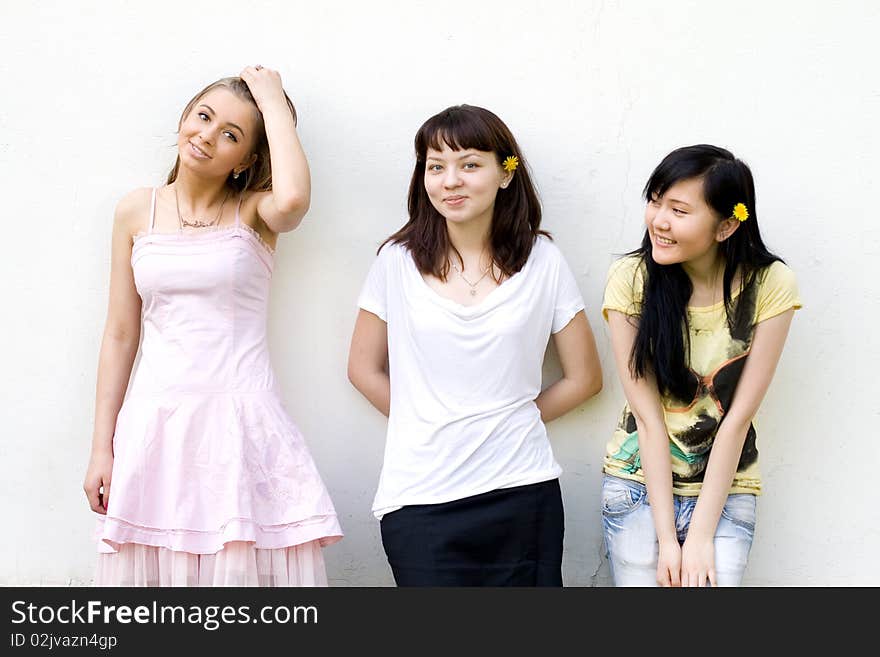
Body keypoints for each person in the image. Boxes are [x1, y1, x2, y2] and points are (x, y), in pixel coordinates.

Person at [83, 66, 342, 586]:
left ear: (246, 159)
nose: (206, 136)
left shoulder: (255, 213)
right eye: (203, 117)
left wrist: (272, 100)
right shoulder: (137, 210)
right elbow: (119, 332)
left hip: (239, 423)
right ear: (184, 117)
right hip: (156, 423)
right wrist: (101, 447)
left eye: (230, 134)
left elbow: (293, 200)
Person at [347, 104, 603, 586]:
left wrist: (503, 422)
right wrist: (428, 420)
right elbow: (363, 368)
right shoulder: (394, 263)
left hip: (521, 491)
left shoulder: (543, 260)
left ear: (506, 174)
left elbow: (585, 377)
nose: (450, 181)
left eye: (469, 164)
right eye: (436, 166)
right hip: (420, 495)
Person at [600, 144, 801, 587]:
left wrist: (701, 537)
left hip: (727, 490)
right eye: (655, 201)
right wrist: (669, 542)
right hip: (637, 487)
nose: (659, 221)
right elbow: (649, 421)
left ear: (727, 225)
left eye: (679, 209)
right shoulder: (631, 278)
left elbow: (737, 418)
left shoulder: (770, 284)